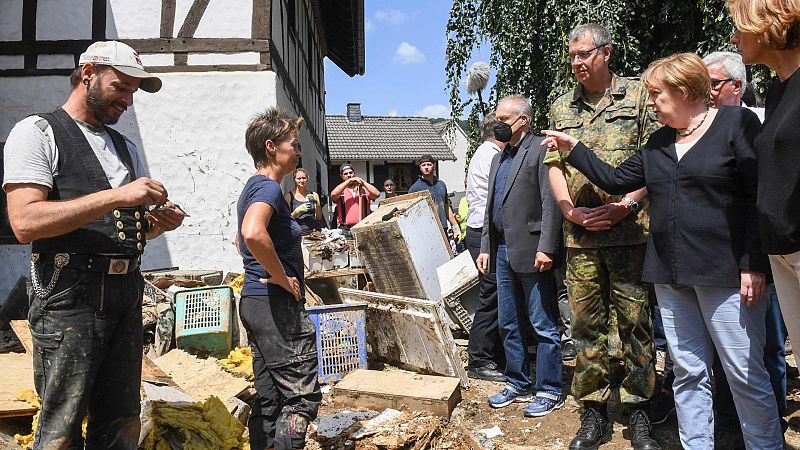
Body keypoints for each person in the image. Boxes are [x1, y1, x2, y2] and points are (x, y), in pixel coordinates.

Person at [542, 52, 783, 449]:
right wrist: (575, 147)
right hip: (671, 276)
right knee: (688, 372)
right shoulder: (659, 141)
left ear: (685, 91)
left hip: (725, 275)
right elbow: (615, 179)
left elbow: (756, 196)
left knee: (743, 373)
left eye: (656, 94)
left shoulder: (734, 124)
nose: (649, 102)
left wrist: (753, 263)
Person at [3, 40, 185, 447]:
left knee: (121, 421)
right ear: (88, 74)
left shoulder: (125, 147)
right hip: (70, 294)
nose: (128, 101)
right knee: (62, 427)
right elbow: (24, 221)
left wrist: (158, 226)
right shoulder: (37, 132)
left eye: (134, 92)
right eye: (121, 87)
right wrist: (118, 196)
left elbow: (118, 230)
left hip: (125, 292)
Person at [544, 23, 660, 450]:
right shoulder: (560, 107)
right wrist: (569, 211)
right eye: (571, 56)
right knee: (585, 326)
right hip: (581, 239)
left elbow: (655, 161)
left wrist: (625, 204)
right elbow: (554, 166)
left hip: (629, 233)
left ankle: (639, 412)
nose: (576, 62)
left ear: (606, 53)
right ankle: (593, 413)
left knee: (636, 325)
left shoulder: (638, 96)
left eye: (584, 54)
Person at [703, 50, 788, 441]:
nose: (707, 93)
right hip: (727, 259)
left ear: (737, 86)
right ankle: (730, 428)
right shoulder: (703, 127)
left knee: (766, 346)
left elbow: (761, 193)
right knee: (730, 353)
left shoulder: (761, 121)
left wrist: (754, 258)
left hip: (762, 256)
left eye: (713, 84)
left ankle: (772, 421)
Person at [237, 107, 321, 449]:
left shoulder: (253, 188)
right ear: (271, 147)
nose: (299, 152)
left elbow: (241, 240)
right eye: (294, 144)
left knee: (270, 398)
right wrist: (283, 277)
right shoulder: (269, 189)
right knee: (300, 399)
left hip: (254, 302)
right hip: (274, 306)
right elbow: (253, 233)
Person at [729, 2, 800, 395]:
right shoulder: (777, 90)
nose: (733, 37)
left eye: (739, 26)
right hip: (782, 254)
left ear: (767, 22)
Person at [477, 95, 563, 417]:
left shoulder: (541, 148)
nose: (497, 123)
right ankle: (517, 381)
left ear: (523, 120)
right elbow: (491, 208)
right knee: (508, 322)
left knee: (542, 323)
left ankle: (550, 388)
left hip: (531, 249)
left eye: (504, 118)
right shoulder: (500, 157)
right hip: (501, 251)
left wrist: (547, 246)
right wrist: (486, 247)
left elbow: (551, 200)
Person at [464, 113, 506, 382]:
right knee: (491, 296)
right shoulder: (491, 154)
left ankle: (494, 354)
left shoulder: (483, 152)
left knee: (496, 295)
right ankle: (479, 358)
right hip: (483, 232)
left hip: (479, 230)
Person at [408, 154, 461, 239]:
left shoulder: (441, 185)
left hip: (443, 228)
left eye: (429, 164)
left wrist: (455, 226)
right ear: (420, 168)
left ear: (434, 166)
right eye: (423, 165)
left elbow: (446, 207)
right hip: (425, 231)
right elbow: (411, 215)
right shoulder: (415, 189)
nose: (426, 167)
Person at [330, 164, 379, 228]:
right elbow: (333, 195)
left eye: (351, 173)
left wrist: (362, 182)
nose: (349, 175)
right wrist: (348, 181)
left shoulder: (363, 190)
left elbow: (377, 194)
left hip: (364, 226)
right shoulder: (341, 191)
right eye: (345, 174)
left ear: (354, 173)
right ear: (341, 176)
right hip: (345, 228)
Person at [285, 167, 323, 235]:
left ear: (307, 179)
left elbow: (319, 217)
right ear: (294, 180)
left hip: (314, 233)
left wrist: (317, 204)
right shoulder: (288, 196)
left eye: (304, 178)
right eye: (299, 178)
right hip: (298, 233)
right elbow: (286, 220)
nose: (302, 180)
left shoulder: (314, 194)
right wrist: (297, 211)